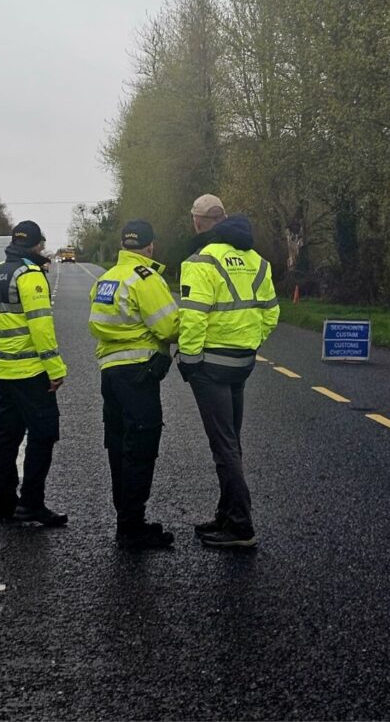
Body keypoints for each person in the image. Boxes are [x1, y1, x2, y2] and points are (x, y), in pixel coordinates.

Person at [177, 194, 280, 548]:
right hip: (242, 363)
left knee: (224, 446)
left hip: (211, 366)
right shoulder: (259, 262)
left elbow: (193, 316)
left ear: (197, 221)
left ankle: (240, 525)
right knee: (231, 441)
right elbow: (271, 313)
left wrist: (189, 360)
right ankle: (225, 514)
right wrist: (251, 342)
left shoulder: (200, 261)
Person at [88, 220, 179, 549]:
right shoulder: (146, 278)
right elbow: (169, 327)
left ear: (123, 245)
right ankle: (132, 526)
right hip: (138, 373)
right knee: (141, 445)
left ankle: (124, 517)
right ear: (150, 246)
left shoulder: (106, 278)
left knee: (118, 442)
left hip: (109, 372)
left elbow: (98, 322)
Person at [0, 220, 68, 526]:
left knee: (7, 438)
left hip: (3, 371)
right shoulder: (30, 275)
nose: (43, 249)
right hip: (31, 372)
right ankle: (31, 503)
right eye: (41, 245)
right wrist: (55, 369)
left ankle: (3, 503)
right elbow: (41, 325)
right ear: (33, 245)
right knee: (43, 434)